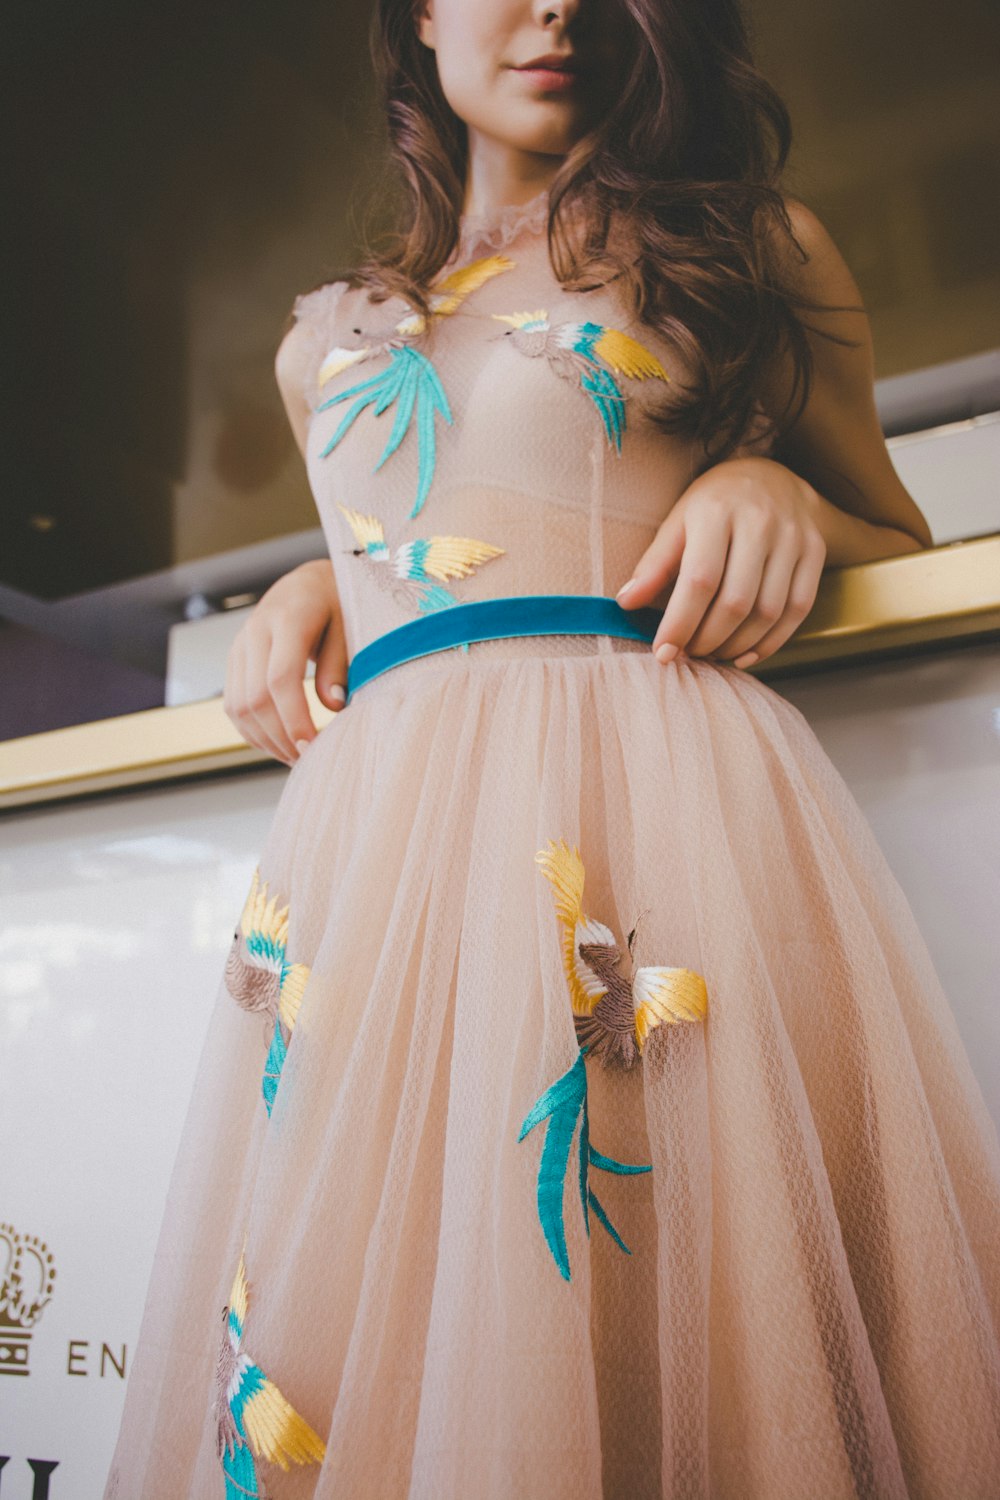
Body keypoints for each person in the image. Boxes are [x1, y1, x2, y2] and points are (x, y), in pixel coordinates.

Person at [104, 0, 1000, 1495]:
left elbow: (891, 528)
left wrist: (778, 489)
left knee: (664, 1291)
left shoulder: (755, 246)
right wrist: (313, 579)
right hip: (394, 872)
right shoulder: (322, 332)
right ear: (422, 18)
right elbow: (419, 518)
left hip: (650, 822)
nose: (556, 7)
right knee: (386, 1321)